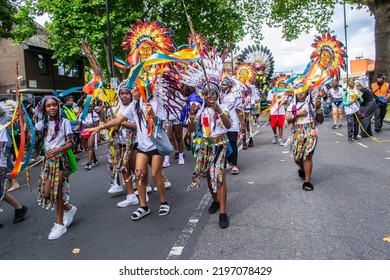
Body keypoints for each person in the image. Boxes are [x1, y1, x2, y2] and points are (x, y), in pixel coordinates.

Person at [86, 82, 170, 221]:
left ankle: (164, 202)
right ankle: (143, 207)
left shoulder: (155, 103)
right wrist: (99, 128)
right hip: (142, 147)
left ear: (142, 90)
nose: (131, 92)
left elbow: (162, 125)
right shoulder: (134, 105)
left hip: (155, 145)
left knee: (156, 174)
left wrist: (153, 114)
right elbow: (119, 120)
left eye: (134, 89)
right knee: (139, 175)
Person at [34, 95, 77, 240]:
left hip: (60, 160)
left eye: (54, 105)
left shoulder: (64, 122)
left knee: (56, 192)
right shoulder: (41, 124)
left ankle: (59, 225)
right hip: (48, 162)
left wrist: (59, 149)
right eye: (48, 106)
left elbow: (71, 143)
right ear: (44, 109)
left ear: (58, 106)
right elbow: (31, 135)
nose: (52, 108)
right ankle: (69, 209)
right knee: (47, 194)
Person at [286, 84, 323, 191]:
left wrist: (318, 108)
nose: (300, 94)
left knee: (307, 155)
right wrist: (297, 114)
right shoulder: (291, 105)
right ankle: (302, 168)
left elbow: (320, 120)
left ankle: (307, 181)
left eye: (303, 92)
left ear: (307, 92)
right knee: (297, 157)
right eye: (298, 92)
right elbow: (288, 120)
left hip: (310, 131)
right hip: (297, 132)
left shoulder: (312, 104)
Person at [108, 84, 139, 208]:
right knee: (124, 169)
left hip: (134, 143)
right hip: (120, 143)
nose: (124, 96)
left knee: (137, 169)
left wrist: (121, 121)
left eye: (127, 93)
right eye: (122, 93)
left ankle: (141, 192)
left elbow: (136, 126)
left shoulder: (135, 107)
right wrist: (114, 124)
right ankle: (131, 195)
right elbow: (115, 128)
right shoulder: (115, 109)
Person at [0, 101, 28, 228]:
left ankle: (19, 208)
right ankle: (19, 208)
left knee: (1, 192)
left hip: (0, 164)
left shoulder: (1, 129)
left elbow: (4, 149)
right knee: (1, 193)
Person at [220, 77, 245, 174]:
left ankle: (234, 164)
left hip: (233, 122)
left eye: (224, 85)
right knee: (224, 143)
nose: (222, 87)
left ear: (229, 85)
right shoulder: (219, 95)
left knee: (233, 142)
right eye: (221, 85)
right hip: (221, 123)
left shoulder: (235, 95)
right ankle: (228, 162)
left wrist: (242, 124)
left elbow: (239, 111)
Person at [80, 104, 100, 170]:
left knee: (89, 146)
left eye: (91, 106)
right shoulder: (82, 115)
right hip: (84, 132)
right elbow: (79, 125)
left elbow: (97, 126)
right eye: (88, 106)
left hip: (92, 131)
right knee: (89, 148)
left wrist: (99, 136)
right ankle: (95, 160)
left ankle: (89, 164)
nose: (90, 108)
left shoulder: (95, 114)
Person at [343, 78, 362, 142]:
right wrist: (349, 103)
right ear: (347, 83)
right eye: (349, 82)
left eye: (352, 81)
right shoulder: (345, 91)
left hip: (356, 109)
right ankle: (350, 136)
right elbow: (344, 102)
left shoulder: (356, 90)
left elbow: (361, 100)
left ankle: (355, 135)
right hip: (349, 110)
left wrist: (358, 98)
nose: (351, 83)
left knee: (356, 123)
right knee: (350, 123)